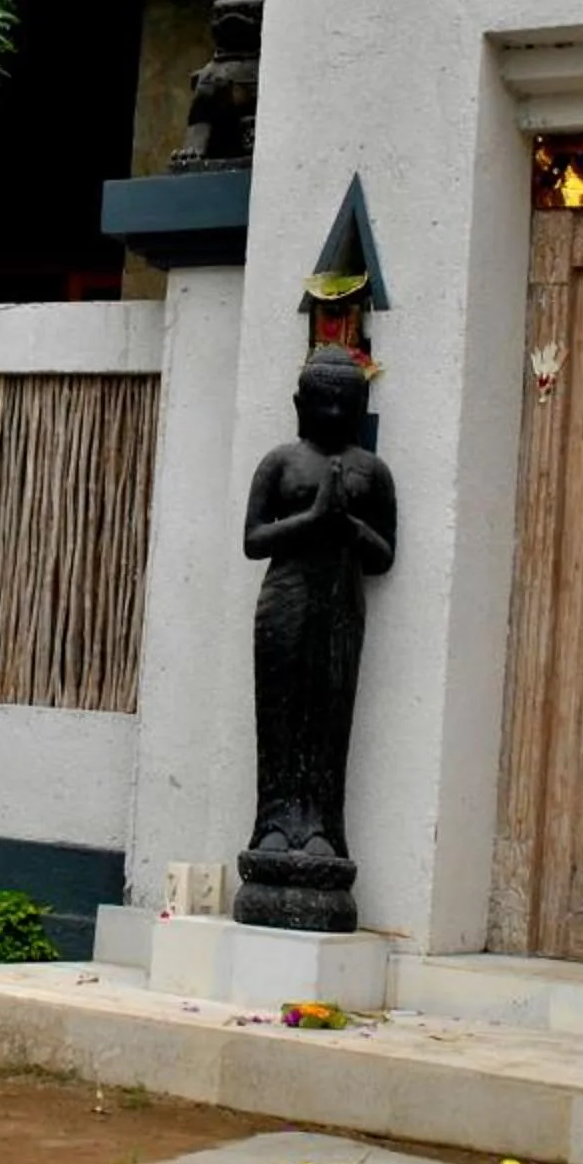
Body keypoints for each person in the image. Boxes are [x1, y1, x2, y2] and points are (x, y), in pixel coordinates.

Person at [239, 345, 397, 863]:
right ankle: (273, 826)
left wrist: (347, 525)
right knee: (279, 717)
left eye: (343, 403)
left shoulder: (372, 472)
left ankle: (323, 829)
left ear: (359, 406)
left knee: (329, 720)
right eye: (321, 403)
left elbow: (382, 556)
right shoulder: (281, 462)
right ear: (299, 403)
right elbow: (254, 540)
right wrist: (313, 520)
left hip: (340, 608)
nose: (332, 414)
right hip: (284, 602)